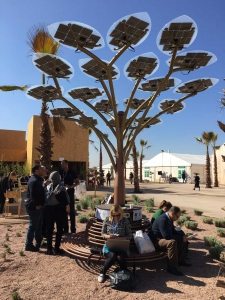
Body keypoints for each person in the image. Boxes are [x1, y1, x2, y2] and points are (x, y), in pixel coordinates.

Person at [151, 206, 191, 276]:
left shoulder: (169, 218)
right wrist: (181, 238)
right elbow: (166, 236)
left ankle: (180, 261)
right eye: (177, 216)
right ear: (172, 213)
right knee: (172, 242)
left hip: (162, 239)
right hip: (156, 241)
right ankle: (172, 268)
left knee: (182, 238)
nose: (178, 218)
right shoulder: (163, 219)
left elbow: (173, 231)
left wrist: (183, 235)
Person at [98, 205, 132, 283]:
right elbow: (102, 234)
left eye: (118, 215)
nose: (116, 217)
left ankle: (123, 275)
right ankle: (102, 273)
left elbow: (130, 235)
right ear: (111, 214)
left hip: (121, 245)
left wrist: (121, 238)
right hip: (109, 246)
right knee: (113, 255)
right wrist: (109, 236)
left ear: (121, 213)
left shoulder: (125, 221)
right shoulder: (107, 220)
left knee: (119, 257)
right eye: (114, 215)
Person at [45, 171, 70, 255]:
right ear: (58, 178)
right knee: (59, 230)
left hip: (48, 210)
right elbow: (65, 201)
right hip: (59, 211)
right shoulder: (61, 188)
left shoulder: (48, 187)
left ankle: (49, 248)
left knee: (49, 229)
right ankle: (56, 248)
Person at [25, 165, 47, 252]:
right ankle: (28, 245)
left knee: (38, 226)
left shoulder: (37, 180)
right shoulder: (34, 180)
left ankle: (39, 242)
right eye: (42, 169)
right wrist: (37, 205)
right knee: (33, 226)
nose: (44, 170)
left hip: (38, 206)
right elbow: (33, 195)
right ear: (37, 171)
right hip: (34, 207)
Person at [60, 160, 76, 233]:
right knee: (64, 212)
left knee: (71, 212)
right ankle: (65, 230)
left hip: (70, 194)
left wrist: (71, 186)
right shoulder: (61, 172)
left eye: (62, 164)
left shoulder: (72, 172)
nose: (61, 166)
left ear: (66, 164)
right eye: (61, 164)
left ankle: (73, 230)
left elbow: (78, 182)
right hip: (63, 194)